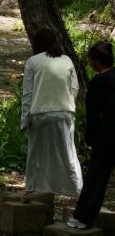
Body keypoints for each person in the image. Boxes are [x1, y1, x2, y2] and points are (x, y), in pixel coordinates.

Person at [21, 27, 83, 196]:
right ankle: (76, 189)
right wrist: (70, 106)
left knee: (36, 154)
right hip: (65, 112)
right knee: (68, 153)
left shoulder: (32, 62)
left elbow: (28, 94)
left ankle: (33, 188)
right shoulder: (67, 60)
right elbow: (75, 88)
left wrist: (24, 120)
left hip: (40, 113)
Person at [68, 41, 115, 229]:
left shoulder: (97, 83)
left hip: (107, 135)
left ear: (95, 62)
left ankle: (82, 217)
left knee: (97, 178)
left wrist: (90, 138)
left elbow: (93, 115)